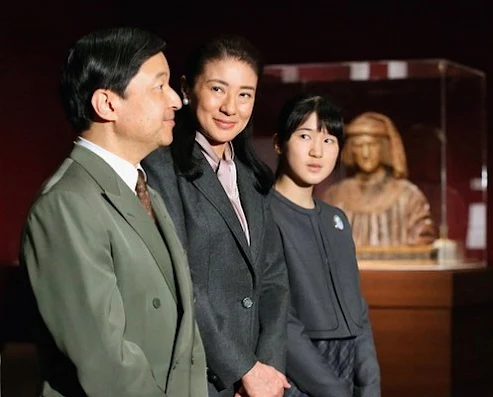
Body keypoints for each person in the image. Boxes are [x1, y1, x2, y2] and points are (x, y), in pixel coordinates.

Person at [19, 27, 208, 396]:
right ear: (107, 104)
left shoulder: (144, 188)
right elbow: (107, 364)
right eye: (159, 85)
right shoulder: (67, 204)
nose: (176, 100)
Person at [142, 35, 290, 397]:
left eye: (245, 94)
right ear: (187, 89)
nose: (230, 107)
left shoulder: (252, 176)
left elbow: (273, 278)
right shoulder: (160, 169)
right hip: (201, 377)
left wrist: (266, 367)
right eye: (217, 89)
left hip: (257, 379)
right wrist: (242, 368)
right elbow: (180, 280)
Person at [269, 93, 381, 396]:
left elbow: (357, 307)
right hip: (297, 374)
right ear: (279, 143)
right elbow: (280, 319)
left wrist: (369, 382)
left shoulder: (337, 219)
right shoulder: (264, 214)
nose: (317, 151)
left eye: (329, 140)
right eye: (305, 136)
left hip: (348, 366)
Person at [323, 111, 436, 247]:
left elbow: (422, 244)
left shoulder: (409, 196)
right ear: (351, 150)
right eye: (359, 146)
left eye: (372, 145)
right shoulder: (336, 195)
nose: (365, 153)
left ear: (383, 148)